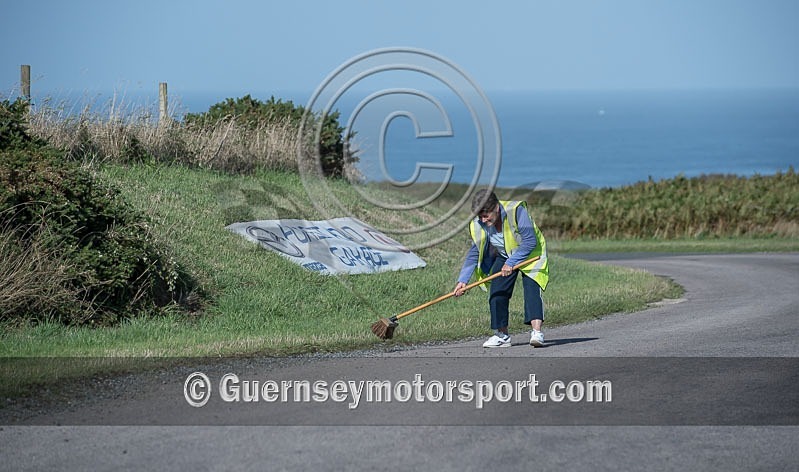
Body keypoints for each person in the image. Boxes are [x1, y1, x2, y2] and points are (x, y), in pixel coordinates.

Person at [453, 189, 549, 348]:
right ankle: (502, 335)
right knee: (497, 292)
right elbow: (474, 252)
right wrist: (463, 280)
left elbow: (530, 242)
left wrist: (512, 262)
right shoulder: (478, 225)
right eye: (479, 216)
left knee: (532, 291)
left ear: (496, 208)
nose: (483, 220)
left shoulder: (516, 211)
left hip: (531, 255)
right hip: (504, 255)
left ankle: (537, 333)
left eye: (486, 215)